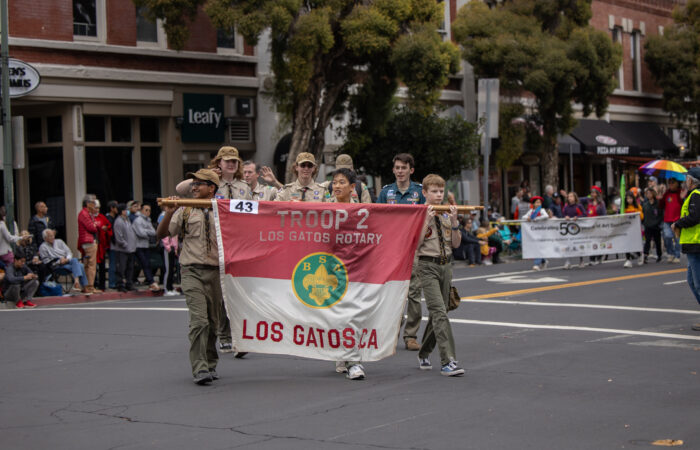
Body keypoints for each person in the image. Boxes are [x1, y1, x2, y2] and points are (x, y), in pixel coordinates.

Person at [157, 169, 223, 385]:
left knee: (213, 323)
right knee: (199, 322)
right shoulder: (184, 210)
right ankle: (200, 367)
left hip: (215, 272)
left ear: (211, 188)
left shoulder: (222, 210)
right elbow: (161, 234)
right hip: (191, 270)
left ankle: (210, 363)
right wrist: (169, 211)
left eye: (199, 184)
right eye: (193, 184)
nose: (194, 187)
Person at [415, 174, 464, 376]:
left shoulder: (446, 214)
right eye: (434, 191)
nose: (438, 194)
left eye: (441, 191)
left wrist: (454, 223)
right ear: (425, 193)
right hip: (427, 266)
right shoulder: (418, 214)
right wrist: (425, 222)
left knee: (440, 312)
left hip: (446, 266)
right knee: (439, 312)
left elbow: (456, 244)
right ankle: (448, 361)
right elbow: (414, 245)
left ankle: (424, 352)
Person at [376, 153, 425, 351]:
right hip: (391, 249)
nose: (400, 171)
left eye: (404, 168)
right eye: (397, 168)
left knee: (413, 293)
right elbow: (377, 218)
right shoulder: (386, 192)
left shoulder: (420, 191)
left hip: (413, 247)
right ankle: (391, 332)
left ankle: (411, 335)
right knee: (391, 292)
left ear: (411, 170)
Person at [327, 168, 367, 380]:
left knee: (353, 315)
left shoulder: (363, 212)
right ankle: (343, 355)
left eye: (342, 182)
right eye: (334, 182)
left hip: (356, 270)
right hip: (332, 270)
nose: (337, 186)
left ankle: (354, 361)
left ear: (353, 187)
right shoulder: (325, 210)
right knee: (338, 315)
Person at [670, 167, 700, 331]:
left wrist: (678, 224)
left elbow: (695, 217)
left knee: (698, 283)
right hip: (693, 245)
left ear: (692, 180)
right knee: (692, 281)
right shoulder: (694, 195)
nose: (685, 181)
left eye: (686, 178)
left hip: (696, 244)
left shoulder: (696, 195)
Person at [39, 229, 88, 293]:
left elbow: (69, 252)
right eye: (50, 236)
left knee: (74, 260)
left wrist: (66, 259)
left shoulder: (59, 242)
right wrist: (59, 261)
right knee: (80, 265)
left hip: (67, 261)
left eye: (53, 235)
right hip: (57, 266)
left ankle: (76, 281)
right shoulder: (43, 247)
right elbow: (47, 262)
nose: (52, 237)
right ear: (45, 238)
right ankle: (84, 287)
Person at [133, 203, 159, 291]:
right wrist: (147, 232)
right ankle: (150, 281)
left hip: (146, 245)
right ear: (141, 210)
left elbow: (154, 232)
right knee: (144, 263)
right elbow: (141, 233)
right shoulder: (138, 220)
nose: (148, 212)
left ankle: (149, 280)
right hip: (138, 246)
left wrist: (146, 231)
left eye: (149, 210)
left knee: (146, 263)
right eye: (146, 210)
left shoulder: (148, 220)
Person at [77, 194, 100, 294]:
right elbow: (92, 227)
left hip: (86, 241)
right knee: (91, 265)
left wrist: (95, 224)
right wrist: (96, 224)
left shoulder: (86, 213)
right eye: (92, 203)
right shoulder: (84, 213)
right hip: (88, 241)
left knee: (87, 264)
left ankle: (86, 286)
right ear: (87, 203)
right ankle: (90, 286)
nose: (94, 205)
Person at [112, 203, 137, 293]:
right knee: (121, 268)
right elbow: (119, 237)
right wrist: (125, 245)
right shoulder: (118, 221)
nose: (127, 211)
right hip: (122, 250)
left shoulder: (127, 220)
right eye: (125, 210)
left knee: (130, 268)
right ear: (121, 211)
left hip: (131, 249)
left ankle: (129, 283)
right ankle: (120, 284)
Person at [562, 191, 587, 269]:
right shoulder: (566, 206)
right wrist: (566, 217)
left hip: (578, 228)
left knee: (578, 244)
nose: (570, 198)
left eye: (571, 196)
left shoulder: (579, 206)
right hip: (569, 228)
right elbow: (563, 214)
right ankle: (568, 261)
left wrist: (578, 217)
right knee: (568, 244)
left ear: (575, 197)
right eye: (569, 197)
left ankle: (581, 260)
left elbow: (584, 214)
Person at [583, 186, 606, 265]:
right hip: (590, 225)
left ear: (597, 194)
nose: (592, 194)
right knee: (591, 241)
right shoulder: (589, 201)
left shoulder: (601, 203)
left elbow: (604, 214)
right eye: (591, 193)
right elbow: (579, 200)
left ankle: (599, 256)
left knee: (598, 241)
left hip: (598, 225)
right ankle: (592, 259)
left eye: (593, 193)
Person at [525, 196, 549, 270]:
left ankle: (536, 264)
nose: (538, 204)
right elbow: (524, 217)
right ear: (533, 204)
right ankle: (544, 260)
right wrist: (527, 218)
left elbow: (546, 216)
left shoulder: (542, 210)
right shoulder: (531, 211)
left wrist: (536, 219)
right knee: (536, 247)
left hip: (541, 232)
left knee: (538, 247)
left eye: (539, 202)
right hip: (533, 233)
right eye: (537, 202)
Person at [661, 178, 683, 263]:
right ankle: (670, 253)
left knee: (677, 239)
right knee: (667, 236)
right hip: (667, 219)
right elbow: (661, 206)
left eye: (672, 183)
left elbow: (683, 205)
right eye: (669, 183)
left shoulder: (680, 192)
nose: (671, 184)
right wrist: (661, 198)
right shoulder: (666, 193)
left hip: (677, 220)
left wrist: (682, 198)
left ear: (677, 183)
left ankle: (677, 255)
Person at [93, 200, 112, 291]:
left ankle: (102, 285)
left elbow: (108, 226)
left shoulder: (102, 217)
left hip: (101, 246)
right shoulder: (89, 217)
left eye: (98, 208)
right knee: (92, 267)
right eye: (96, 208)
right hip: (93, 245)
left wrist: (105, 229)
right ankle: (93, 284)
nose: (97, 210)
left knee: (102, 266)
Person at [642, 187, 663, 264]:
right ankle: (645, 255)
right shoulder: (645, 204)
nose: (648, 195)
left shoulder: (657, 203)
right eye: (647, 193)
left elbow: (661, 214)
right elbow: (643, 214)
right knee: (647, 241)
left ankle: (659, 255)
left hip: (656, 225)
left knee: (657, 241)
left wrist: (659, 222)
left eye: (650, 193)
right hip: (647, 225)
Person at [623, 191, 644, 268]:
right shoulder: (624, 208)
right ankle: (628, 260)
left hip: (635, 229)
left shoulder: (637, 206)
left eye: (630, 198)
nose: (629, 200)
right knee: (627, 244)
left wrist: (636, 212)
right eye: (627, 198)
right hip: (626, 229)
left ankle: (639, 255)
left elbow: (641, 217)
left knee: (635, 244)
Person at [105, 201, 119, 289]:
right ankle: (112, 282)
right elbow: (111, 233)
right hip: (111, 244)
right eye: (116, 207)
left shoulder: (115, 218)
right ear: (112, 208)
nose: (118, 209)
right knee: (113, 263)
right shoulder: (108, 219)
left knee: (116, 263)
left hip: (116, 244)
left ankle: (116, 281)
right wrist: (115, 242)